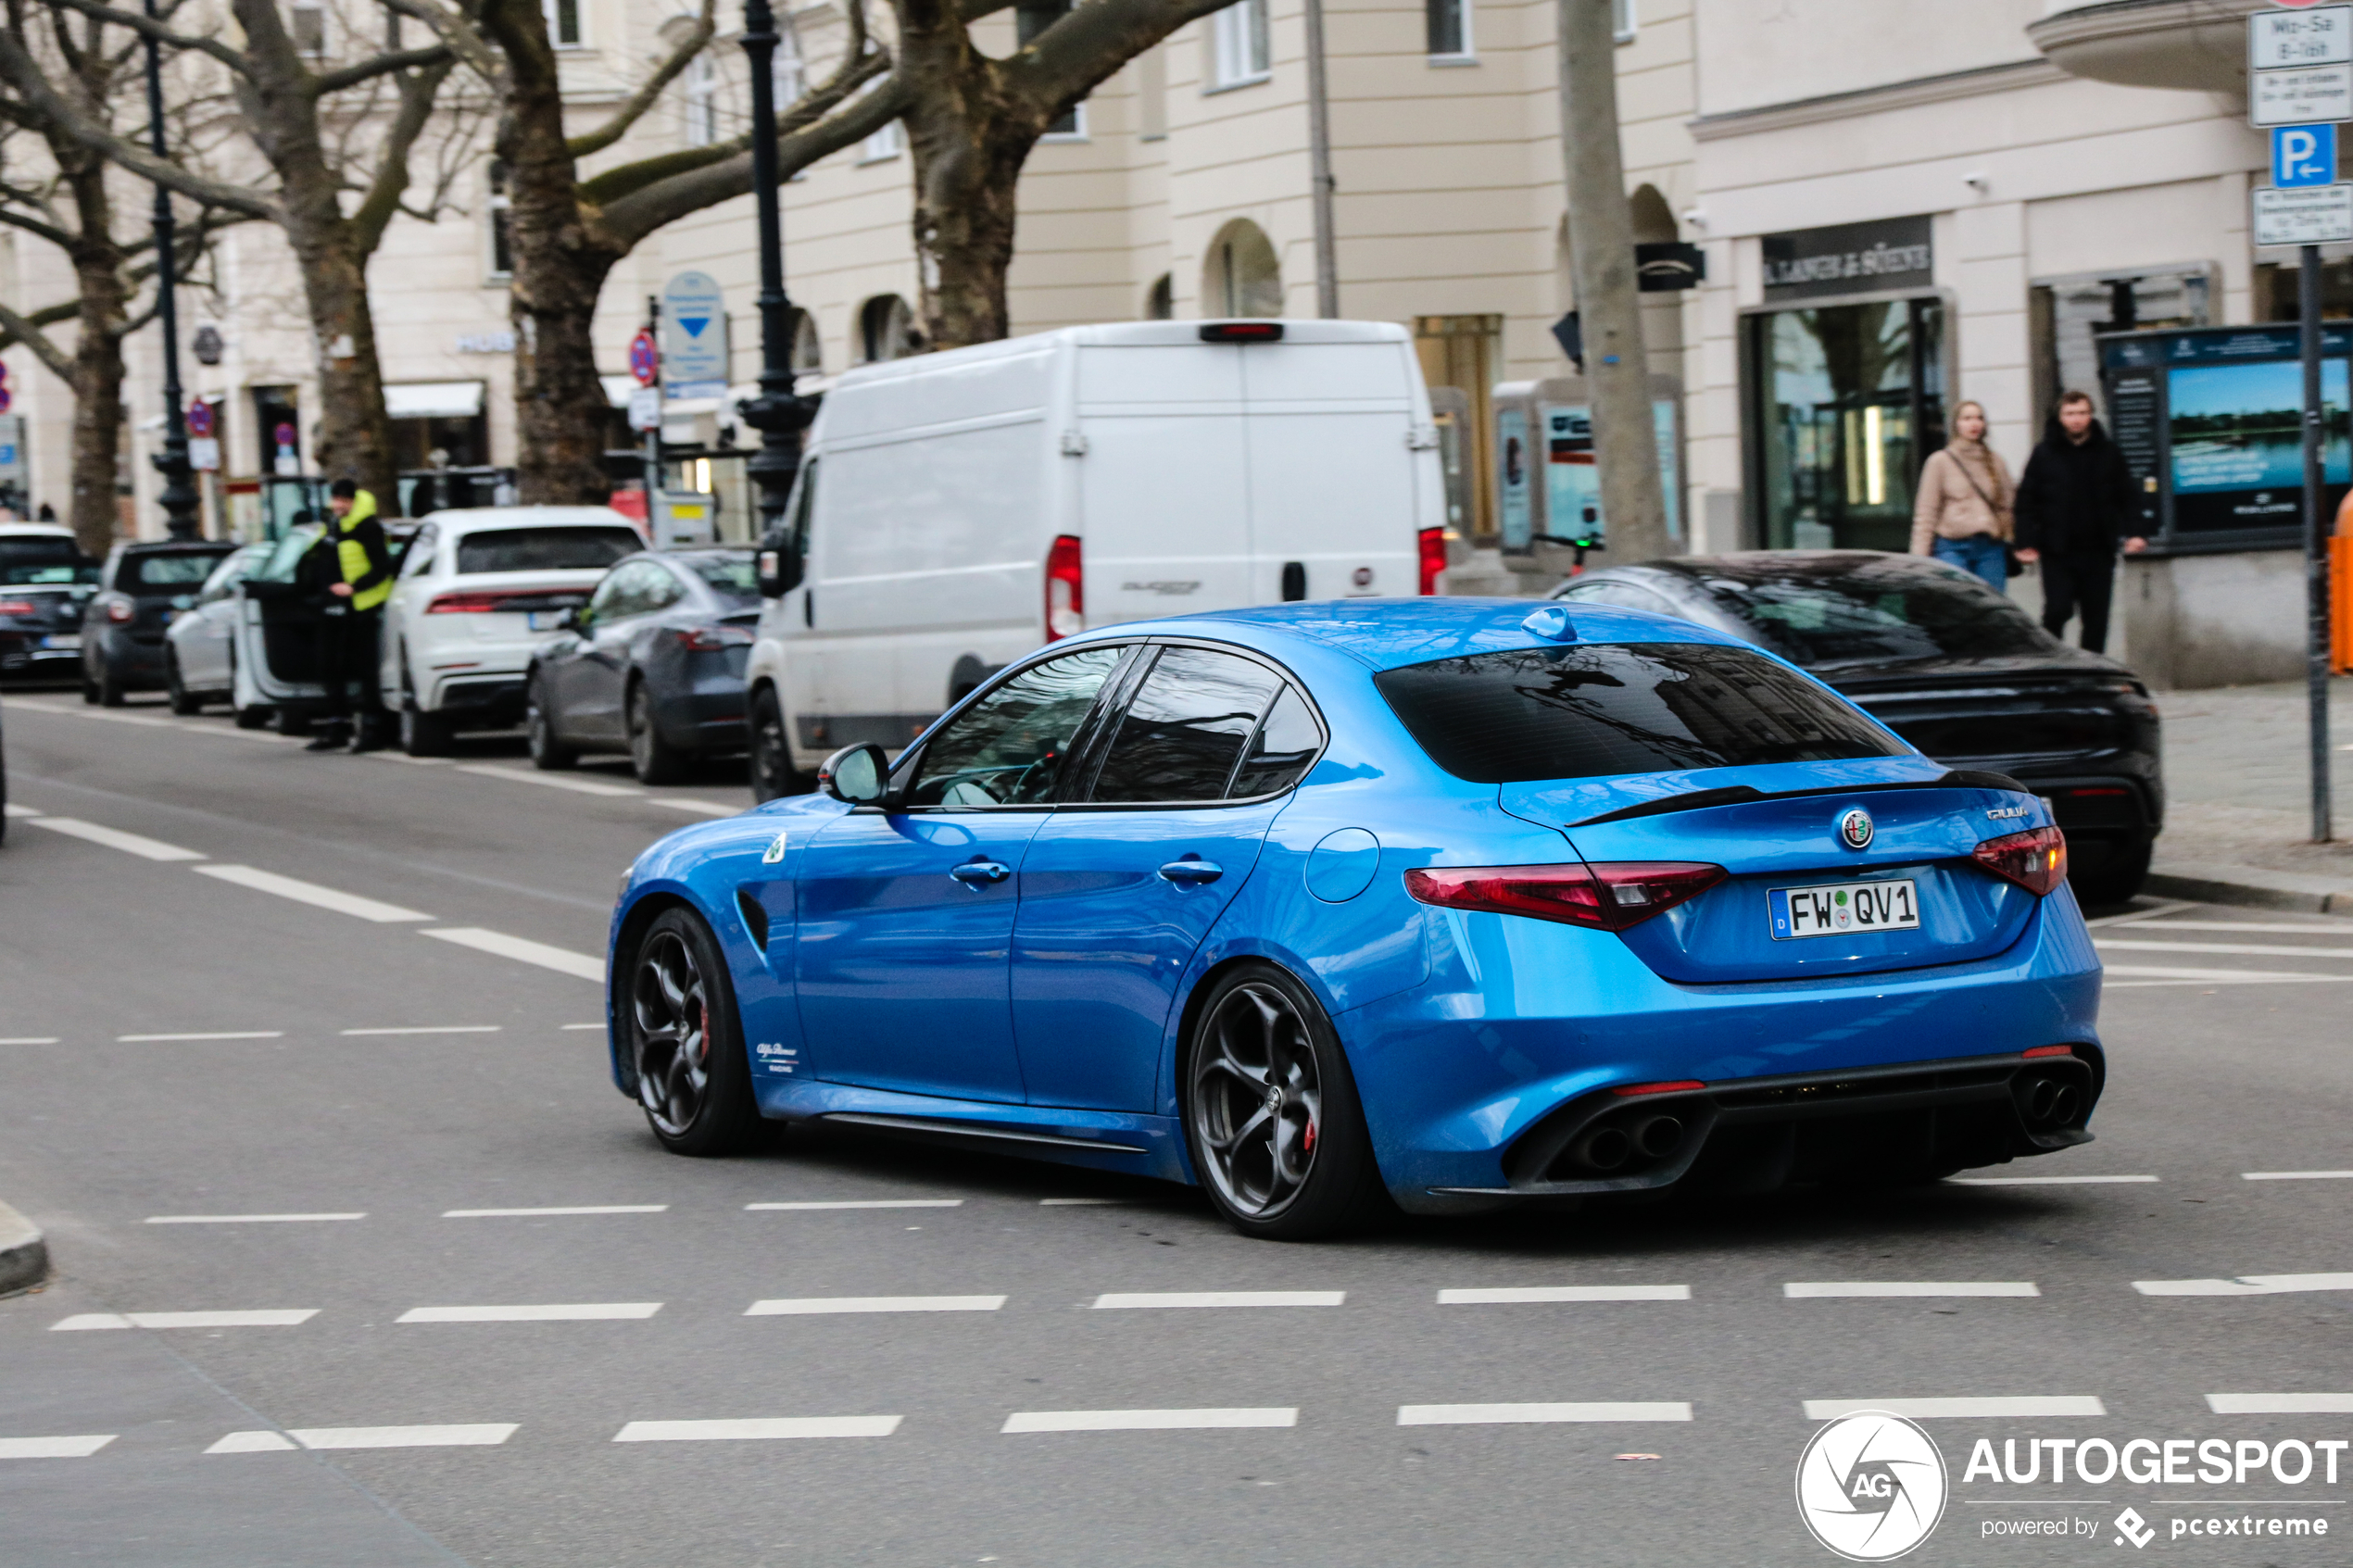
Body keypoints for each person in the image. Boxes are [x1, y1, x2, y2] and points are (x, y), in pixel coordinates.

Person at [2013, 390, 2145, 653]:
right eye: (2070, 414)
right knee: (2057, 610)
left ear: (2091, 415)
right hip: (2057, 550)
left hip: (2098, 550)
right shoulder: (2044, 453)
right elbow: (2026, 501)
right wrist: (2024, 541)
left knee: (2096, 620)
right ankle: (2050, 660)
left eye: (2082, 413)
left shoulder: (2108, 452)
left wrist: (2135, 532)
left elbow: (2128, 495)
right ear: (2060, 417)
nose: (2076, 420)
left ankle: (2092, 673)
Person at [307, 478, 394, 753]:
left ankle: (373, 730)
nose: (338, 505)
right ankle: (338, 726)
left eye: (343, 500)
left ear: (354, 500)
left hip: (363, 608)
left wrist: (354, 587)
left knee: (365, 669)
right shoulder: (333, 525)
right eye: (335, 499)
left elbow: (382, 567)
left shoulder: (368, 527)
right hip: (334, 608)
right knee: (330, 667)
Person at [1909, 399, 2015, 591]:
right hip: (1952, 548)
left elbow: (2008, 504)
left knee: (1994, 611)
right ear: (1956, 424)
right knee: (1958, 610)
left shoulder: (1996, 461)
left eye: (1979, 418)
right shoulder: (1939, 462)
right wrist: (1919, 560)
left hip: (1990, 548)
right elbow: (1926, 513)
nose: (1974, 423)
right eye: (1967, 418)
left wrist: (2012, 537)